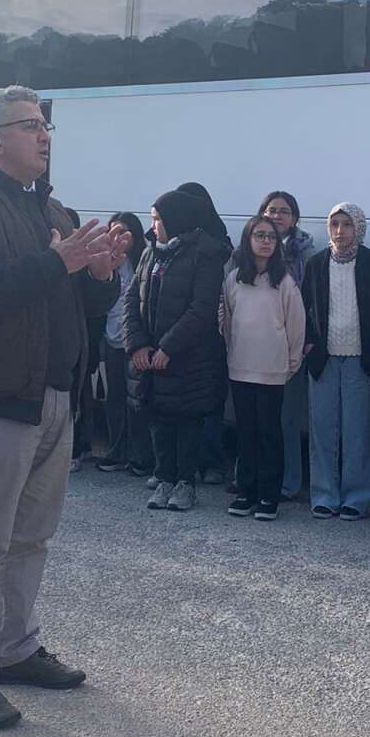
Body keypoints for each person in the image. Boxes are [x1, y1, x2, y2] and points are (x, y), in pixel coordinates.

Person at [0, 84, 125, 729]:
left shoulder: (52, 209)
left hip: (54, 396)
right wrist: (54, 261)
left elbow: (71, 304)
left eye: (46, 125)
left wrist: (98, 278)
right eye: (30, 125)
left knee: (31, 538)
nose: (45, 136)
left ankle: (14, 649)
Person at [124, 188, 229, 513]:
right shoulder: (150, 253)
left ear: (176, 220)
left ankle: (185, 483)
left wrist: (168, 347)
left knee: (187, 422)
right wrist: (138, 344)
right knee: (158, 419)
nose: (153, 226)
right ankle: (164, 477)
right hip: (151, 354)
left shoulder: (205, 254)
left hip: (190, 358)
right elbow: (131, 299)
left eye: (157, 220)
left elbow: (201, 308)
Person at [222, 214, 306, 520]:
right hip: (240, 367)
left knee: (270, 432)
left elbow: (296, 326)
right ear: (248, 239)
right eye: (260, 235)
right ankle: (248, 491)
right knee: (246, 433)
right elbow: (228, 321)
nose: (266, 242)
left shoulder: (284, 281)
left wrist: (291, 362)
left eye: (271, 237)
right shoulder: (234, 278)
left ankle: (269, 496)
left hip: (272, 370)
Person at [302, 202, 370, 520]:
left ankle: (357, 496)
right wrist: (309, 344)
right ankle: (324, 493)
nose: (339, 231)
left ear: (358, 228)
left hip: (358, 358)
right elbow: (304, 307)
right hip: (324, 357)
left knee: (357, 430)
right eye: (334, 224)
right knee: (322, 427)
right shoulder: (316, 264)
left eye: (347, 225)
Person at [260, 190, 316, 498]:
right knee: (255, 416)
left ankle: (289, 482)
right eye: (271, 210)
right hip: (255, 345)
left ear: (294, 218)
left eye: (283, 211)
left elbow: (309, 300)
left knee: (287, 418)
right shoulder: (249, 250)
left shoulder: (303, 254)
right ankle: (252, 476)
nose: (276, 216)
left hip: (291, 343)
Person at [178, 181, 231, 482]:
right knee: (177, 401)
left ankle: (211, 460)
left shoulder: (217, 239)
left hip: (212, 333)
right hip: (177, 333)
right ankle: (179, 465)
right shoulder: (166, 240)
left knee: (210, 400)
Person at [96, 212, 153, 475]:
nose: (117, 238)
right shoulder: (103, 261)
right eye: (113, 231)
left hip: (136, 340)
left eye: (124, 232)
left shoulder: (145, 259)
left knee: (137, 400)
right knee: (114, 398)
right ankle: (115, 451)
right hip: (110, 337)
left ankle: (139, 456)